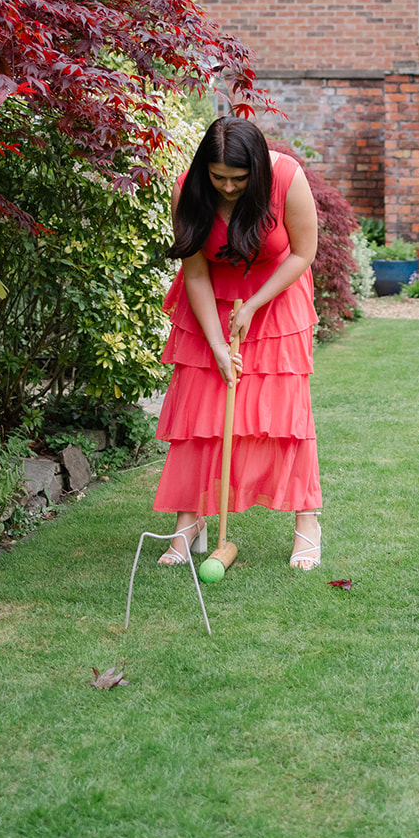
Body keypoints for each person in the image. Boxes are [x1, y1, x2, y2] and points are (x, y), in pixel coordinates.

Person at [153, 116, 323, 570]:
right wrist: (215, 345)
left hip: (277, 298)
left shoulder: (286, 177)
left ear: (258, 172)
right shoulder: (189, 188)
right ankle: (191, 521)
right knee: (199, 411)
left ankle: (307, 522)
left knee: (284, 415)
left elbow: (304, 253)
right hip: (208, 304)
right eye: (218, 177)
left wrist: (253, 306)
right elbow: (194, 272)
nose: (228, 188)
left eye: (239, 179)